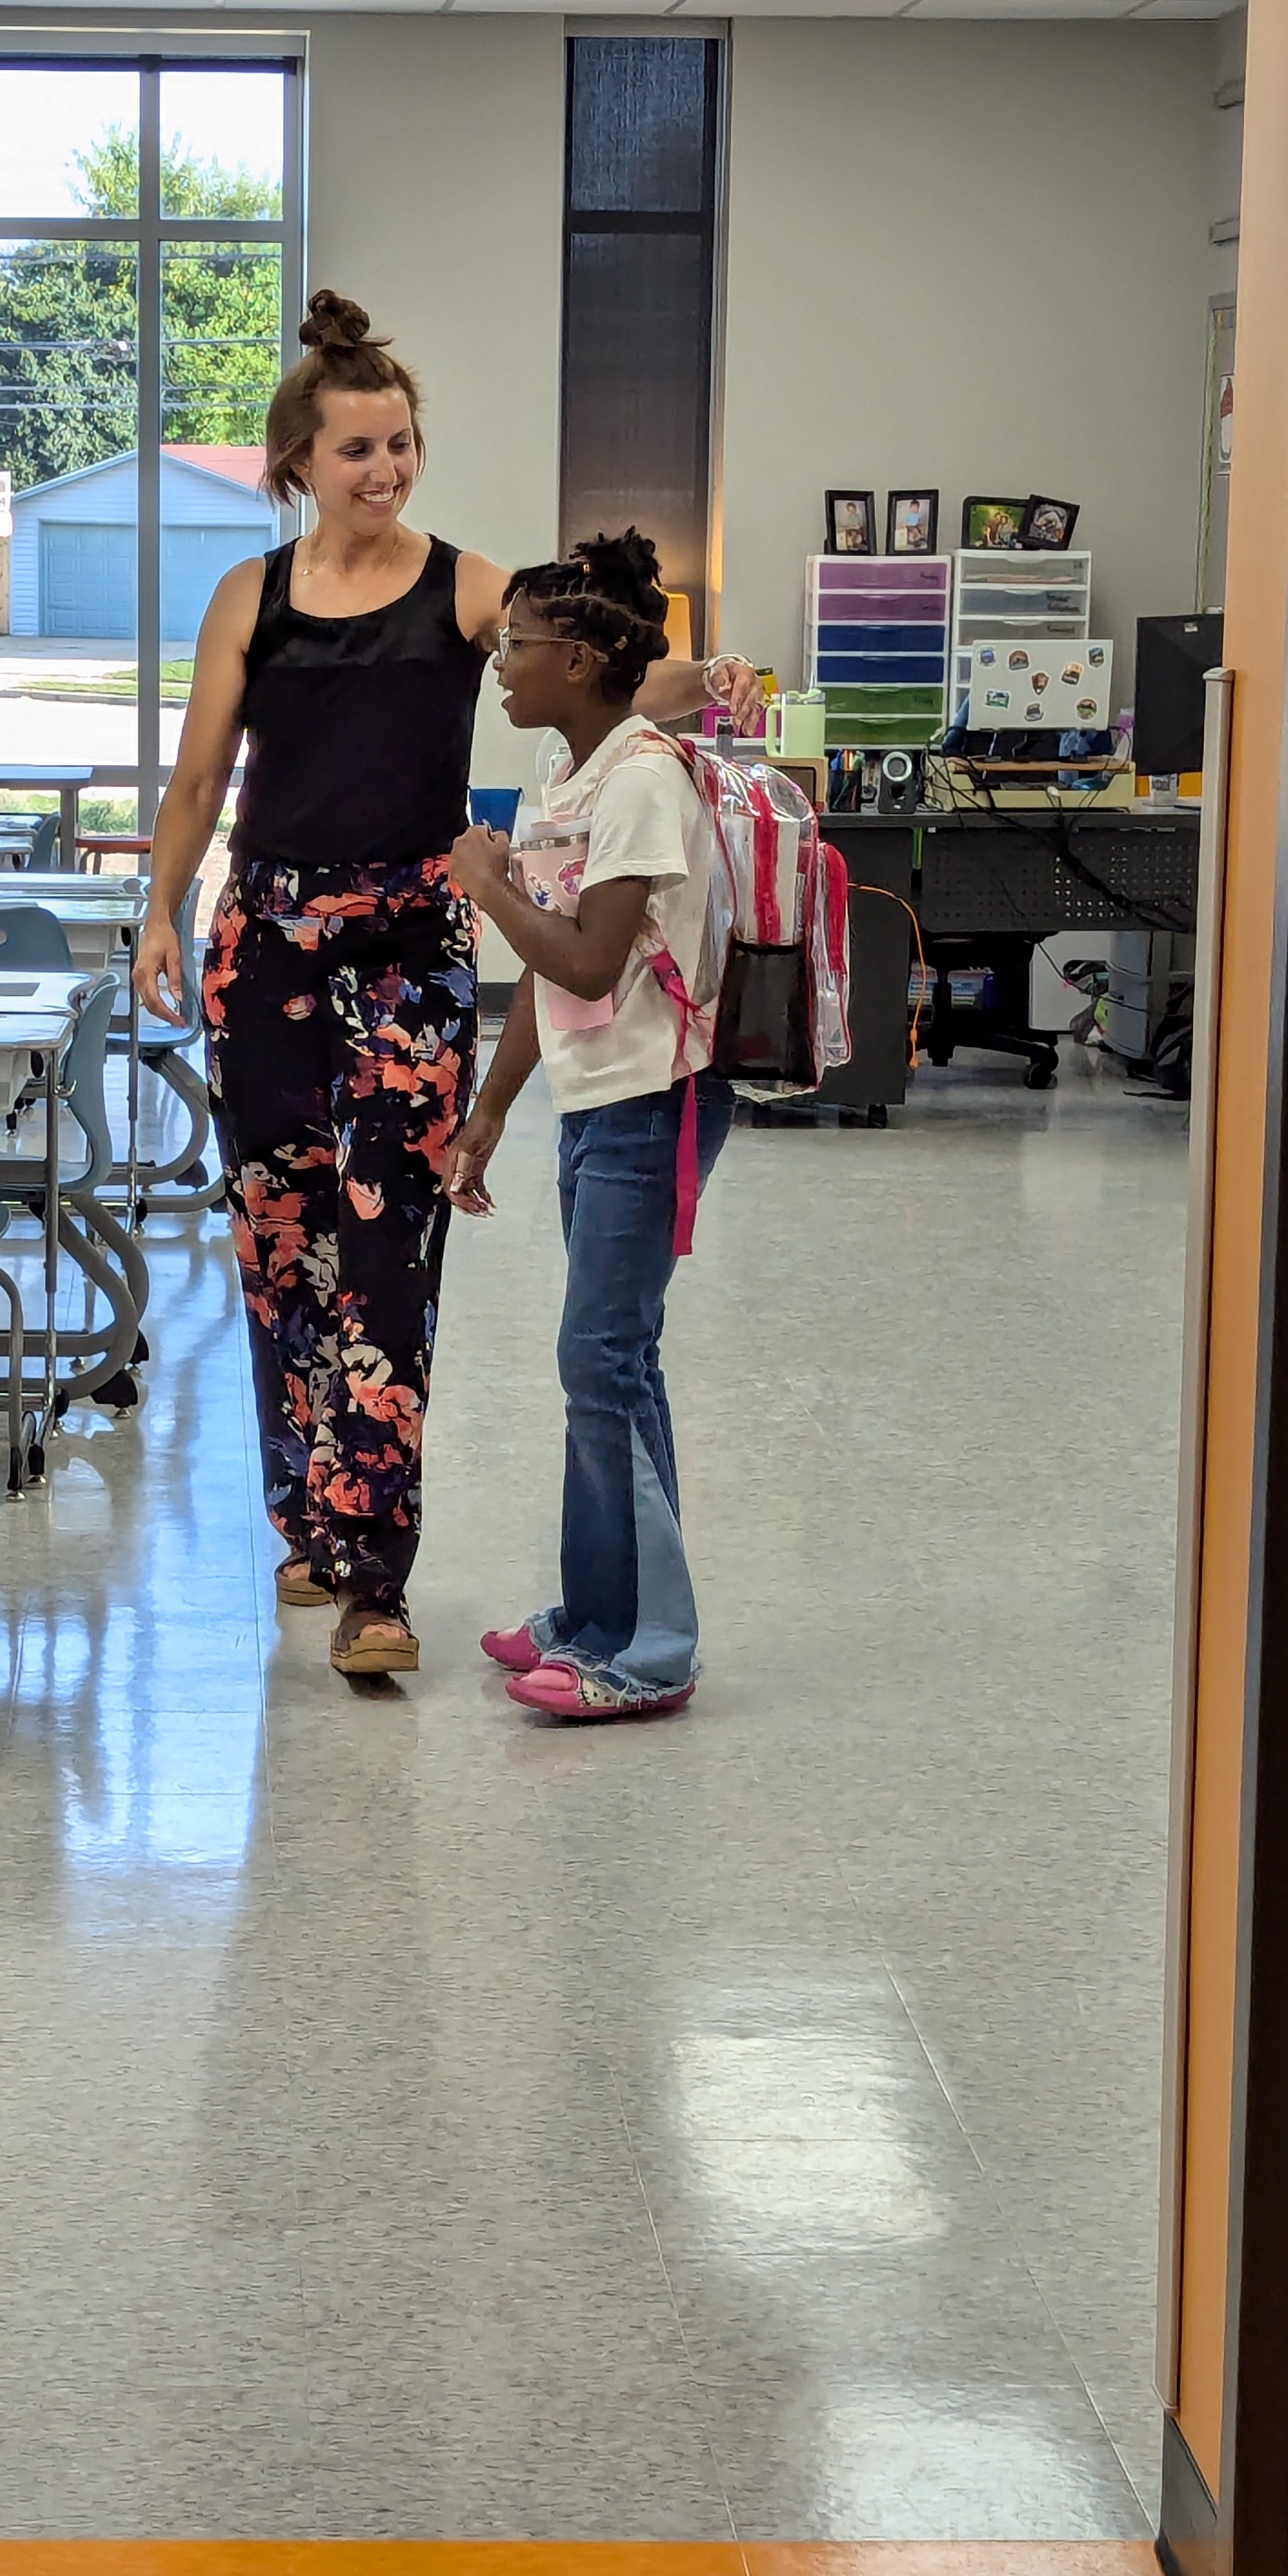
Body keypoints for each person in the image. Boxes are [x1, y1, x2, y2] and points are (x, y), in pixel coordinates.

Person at [132, 293, 758, 1682]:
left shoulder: (466, 585)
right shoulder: (253, 596)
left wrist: (692, 686)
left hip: (411, 954)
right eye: (358, 451)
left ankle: (375, 1579)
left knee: (387, 1256)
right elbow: (196, 782)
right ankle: (306, 1512)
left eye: (403, 445)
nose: (387, 471)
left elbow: (586, 662)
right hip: (269, 951)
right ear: (299, 459)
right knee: (279, 1244)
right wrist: (159, 913)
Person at [444, 528, 732, 1721]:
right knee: (614, 1363)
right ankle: (600, 1611)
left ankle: (648, 1649)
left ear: (579, 658)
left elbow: (595, 960)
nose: (500, 667)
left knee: (600, 1358)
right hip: (594, 1098)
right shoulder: (568, 778)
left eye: (517, 648)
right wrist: (491, 1109)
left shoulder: (643, 780)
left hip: (656, 1100)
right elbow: (553, 980)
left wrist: (488, 884)